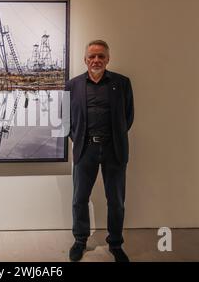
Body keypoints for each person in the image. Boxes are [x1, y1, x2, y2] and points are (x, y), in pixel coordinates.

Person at [65, 40, 134, 262]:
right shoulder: (72, 85)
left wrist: (115, 138)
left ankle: (115, 243)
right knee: (79, 198)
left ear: (108, 59)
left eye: (101, 56)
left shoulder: (122, 83)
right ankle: (80, 240)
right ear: (85, 59)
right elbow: (65, 119)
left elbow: (128, 116)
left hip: (114, 150)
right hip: (86, 149)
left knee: (116, 200)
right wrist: (78, 138)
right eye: (92, 56)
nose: (96, 60)